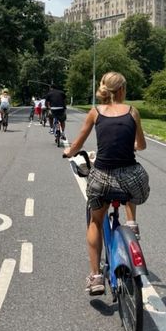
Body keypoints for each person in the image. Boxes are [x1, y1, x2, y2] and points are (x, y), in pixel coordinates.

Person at [63, 72, 150, 295]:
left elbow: (77, 143)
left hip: (102, 177)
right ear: (122, 90)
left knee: (95, 220)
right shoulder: (133, 112)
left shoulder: (95, 113)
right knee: (132, 184)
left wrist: (68, 152)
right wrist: (131, 145)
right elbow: (141, 145)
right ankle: (131, 223)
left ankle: (96, 277)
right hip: (131, 177)